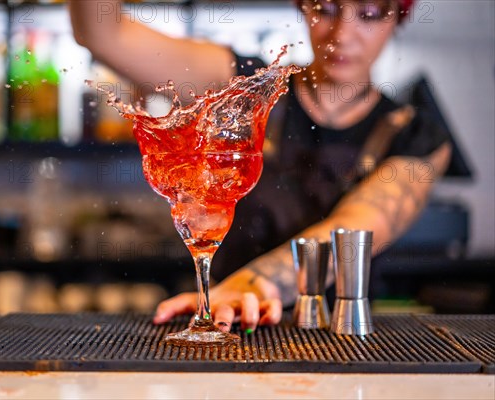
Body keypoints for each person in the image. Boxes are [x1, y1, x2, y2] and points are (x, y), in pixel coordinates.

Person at [69, 0, 451, 332]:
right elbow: (103, 35)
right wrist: (232, 296)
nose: (343, 33)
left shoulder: (417, 136)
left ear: (396, 18)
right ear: (303, 6)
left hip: (340, 336)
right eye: (326, 8)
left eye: (369, 13)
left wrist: (256, 284)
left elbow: (353, 230)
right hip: (228, 320)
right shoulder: (246, 85)